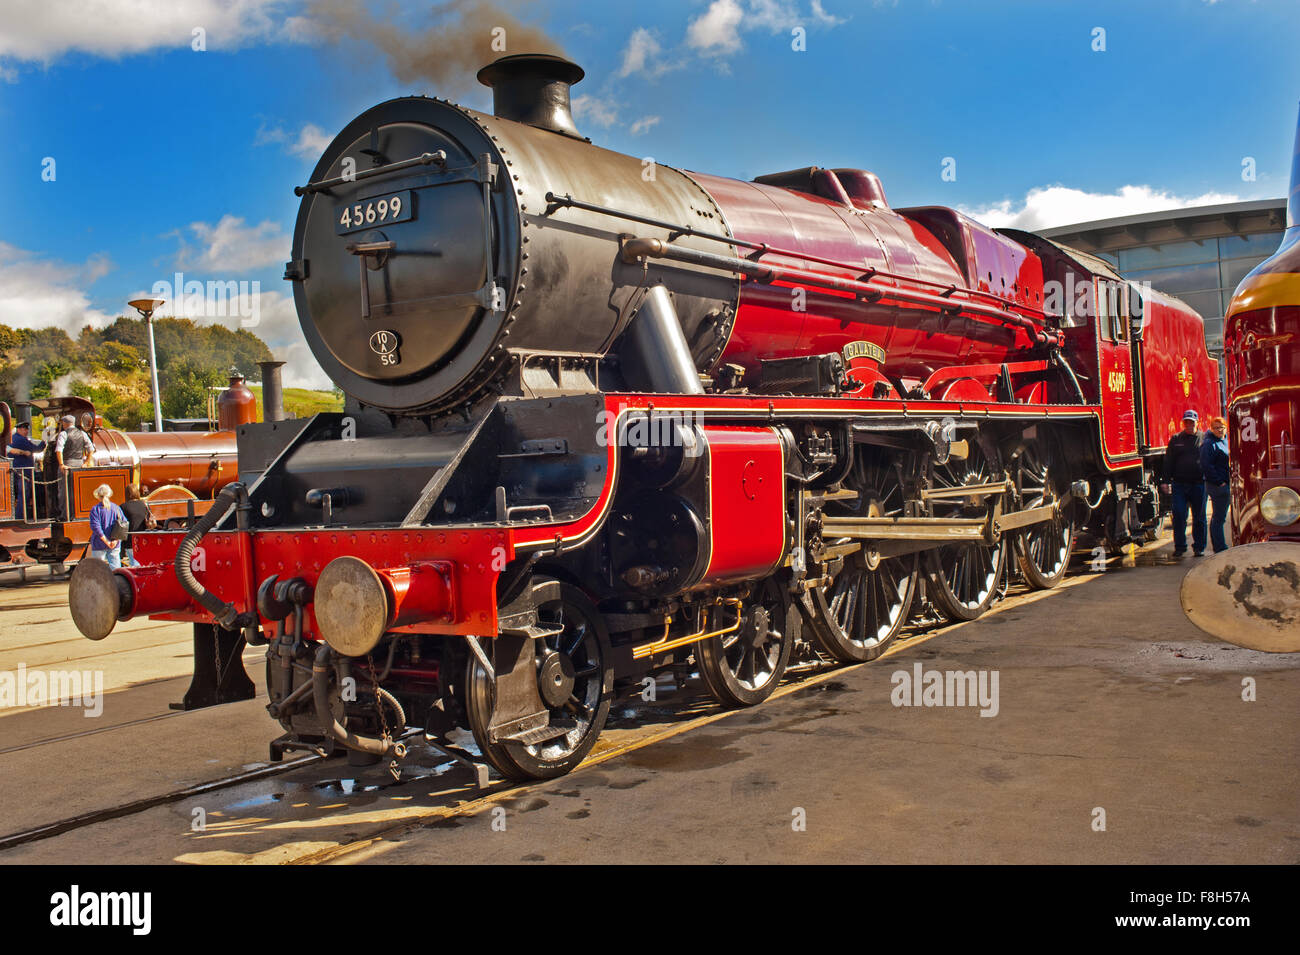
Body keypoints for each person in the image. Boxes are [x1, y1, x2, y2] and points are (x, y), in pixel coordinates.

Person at [1159, 409, 1208, 557]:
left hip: (1199, 484)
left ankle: (1199, 547)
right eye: (1186, 422)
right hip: (1180, 484)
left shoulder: (1204, 439)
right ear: (1183, 423)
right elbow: (1168, 462)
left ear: (1197, 423)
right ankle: (1180, 546)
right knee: (1179, 515)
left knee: (1199, 517)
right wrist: (1165, 481)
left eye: (1191, 422)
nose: (1189, 425)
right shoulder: (1176, 439)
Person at [54, 414, 95, 518]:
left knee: (64, 491)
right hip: (79, 465)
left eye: (63, 422)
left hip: (68, 465)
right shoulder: (82, 433)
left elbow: (59, 450)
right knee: (77, 490)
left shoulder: (63, 434)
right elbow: (91, 449)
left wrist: (61, 464)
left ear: (65, 423)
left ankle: (65, 515)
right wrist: (85, 463)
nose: (62, 424)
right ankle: (78, 514)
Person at [1200, 415, 1231, 553]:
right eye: (1216, 428)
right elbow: (1207, 466)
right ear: (1211, 429)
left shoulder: (1224, 440)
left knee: (1221, 516)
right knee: (1218, 518)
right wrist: (1220, 482)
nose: (1219, 430)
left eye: (1222, 427)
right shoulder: (1208, 444)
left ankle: (1220, 545)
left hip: (1225, 483)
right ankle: (1219, 547)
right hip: (1217, 486)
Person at [6, 421, 45, 520]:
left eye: (27, 429)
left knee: (20, 495)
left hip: (17, 471)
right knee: (24, 495)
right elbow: (37, 449)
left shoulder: (13, 439)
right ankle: (21, 517)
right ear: (19, 429)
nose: (26, 431)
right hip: (23, 472)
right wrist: (45, 440)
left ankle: (20, 515)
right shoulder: (21, 440)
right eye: (24, 429)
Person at [87, 484, 125, 569]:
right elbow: (124, 523)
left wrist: (106, 541)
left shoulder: (95, 509)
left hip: (99, 544)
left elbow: (95, 527)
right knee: (116, 568)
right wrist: (116, 540)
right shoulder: (116, 508)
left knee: (98, 570)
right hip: (115, 543)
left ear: (98, 496)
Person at [119, 483, 156, 567]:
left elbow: (120, 524)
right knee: (144, 562)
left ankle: (136, 579)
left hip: (130, 539)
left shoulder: (123, 507)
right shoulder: (144, 504)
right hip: (144, 538)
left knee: (134, 563)